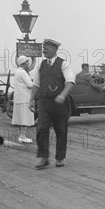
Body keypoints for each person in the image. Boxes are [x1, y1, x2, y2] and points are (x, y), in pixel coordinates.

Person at [30, 39, 75, 169]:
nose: (44, 50)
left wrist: (62, 95)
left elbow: (70, 82)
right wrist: (31, 100)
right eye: (43, 48)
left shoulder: (64, 64)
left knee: (61, 130)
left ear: (55, 49)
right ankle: (43, 158)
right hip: (44, 102)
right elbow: (36, 85)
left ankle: (60, 157)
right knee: (42, 128)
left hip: (60, 104)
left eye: (47, 48)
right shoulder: (41, 65)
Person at [12, 56, 35, 143]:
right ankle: (22, 136)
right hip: (24, 98)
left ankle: (21, 135)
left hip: (19, 98)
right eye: (27, 62)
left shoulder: (17, 71)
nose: (28, 64)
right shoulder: (23, 72)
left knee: (21, 118)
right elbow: (29, 84)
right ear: (24, 63)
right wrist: (36, 84)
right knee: (25, 118)